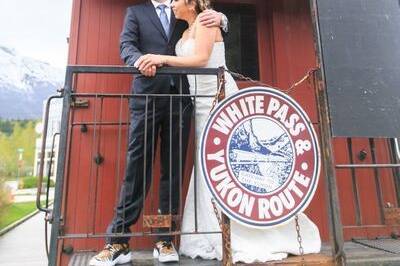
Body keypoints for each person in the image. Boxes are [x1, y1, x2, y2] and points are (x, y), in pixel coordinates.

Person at [135, 0, 322, 263]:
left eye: (176, 0)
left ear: (190, 2)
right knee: (207, 166)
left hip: (218, 98)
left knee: (225, 165)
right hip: (198, 103)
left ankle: (244, 231)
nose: (172, 4)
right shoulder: (185, 29)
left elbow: (200, 59)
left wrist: (162, 59)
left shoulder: (206, 21)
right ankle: (210, 231)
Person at [89, 1, 227, 265]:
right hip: (146, 99)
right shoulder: (136, 12)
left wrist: (222, 18)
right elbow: (126, 46)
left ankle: (164, 239)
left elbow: (208, 32)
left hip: (180, 100)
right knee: (136, 168)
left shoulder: (183, 11)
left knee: (172, 172)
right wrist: (140, 61)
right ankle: (118, 240)